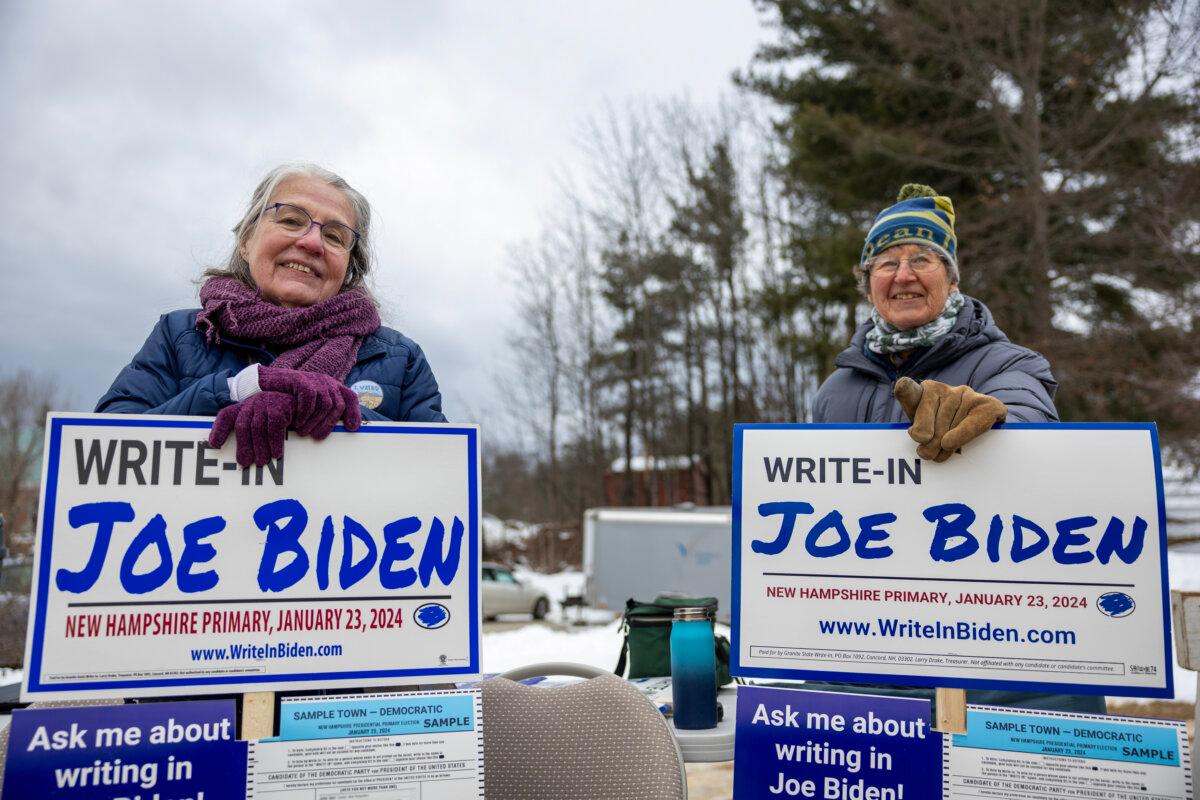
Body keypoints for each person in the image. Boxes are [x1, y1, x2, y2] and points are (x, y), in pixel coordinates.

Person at [809, 183, 1104, 714]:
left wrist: (992, 419)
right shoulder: (836, 391)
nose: (903, 274)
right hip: (868, 651)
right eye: (886, 263)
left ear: (950, 278)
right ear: (868, 284)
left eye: (921, 258)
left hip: (994, 650)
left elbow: (1030, 424)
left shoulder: (1008, 364)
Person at [97, 163, 446, 465]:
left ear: (350, 268)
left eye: (336, 236)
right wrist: (234, 390)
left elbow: (441, 472)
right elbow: (105, 447)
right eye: (292, 220)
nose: (312, 243)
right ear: (246, 241)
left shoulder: (401, 360)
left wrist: (341, 413)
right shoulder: (178, 334)